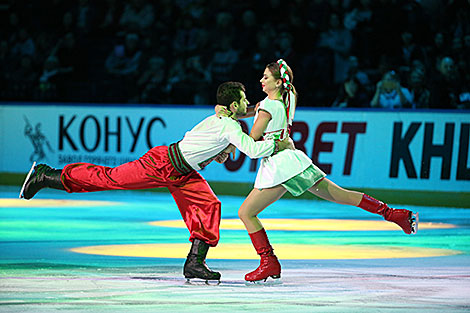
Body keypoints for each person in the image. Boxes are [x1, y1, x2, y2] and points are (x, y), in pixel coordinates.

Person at [19, 81, 294, 283]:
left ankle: (194, 263)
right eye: (244, 101)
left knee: (209, 205)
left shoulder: (222, 118)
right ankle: (48, 174)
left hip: (183, 172)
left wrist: (268, 104)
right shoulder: (229, 125)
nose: (247, 105)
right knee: (110, 178)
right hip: (162, 164)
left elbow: (236, 123)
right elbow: (254, 150)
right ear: (233, 105)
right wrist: (279, 144)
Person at [217, 60, 418, 283]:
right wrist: (234, 113)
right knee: (341, 194)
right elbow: (256, 109)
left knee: (246, 212)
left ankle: (269, 262)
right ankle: (395, 214)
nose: (261, 80)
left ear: (277, 82)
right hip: (293, 160)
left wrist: (229, 132)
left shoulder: (268, 106)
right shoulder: (288, 96)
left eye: (266, 77)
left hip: (279, 166)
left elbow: (252, 140)